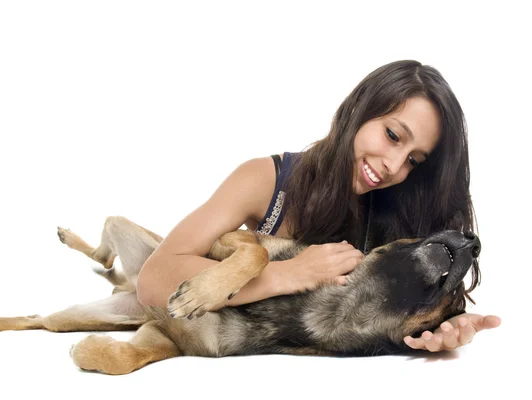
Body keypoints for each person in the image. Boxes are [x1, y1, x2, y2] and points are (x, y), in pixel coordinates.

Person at [137, 60, 501, 352]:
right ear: (358, 109)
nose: (394, 165)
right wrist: (287, 274)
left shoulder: (397, 215)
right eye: (392, 135)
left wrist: (445, 325)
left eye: (413, 161)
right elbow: (154, 280)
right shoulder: (266, 181)